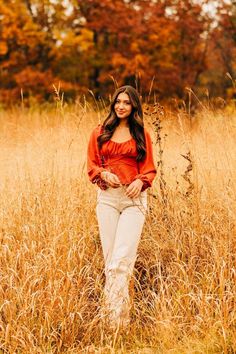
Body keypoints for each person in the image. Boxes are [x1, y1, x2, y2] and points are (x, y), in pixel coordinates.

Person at [87, 85, 157, 330]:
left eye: (126, 102)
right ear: (113, 104)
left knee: (121, 263)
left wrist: (140, 180)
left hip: (133, 201)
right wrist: (104, 174)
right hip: (107, 199)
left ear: (134, 106)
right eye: (118, 101)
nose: (121, 106)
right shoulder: (100, 132)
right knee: (111, 264)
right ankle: (116, 322)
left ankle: (114, 325)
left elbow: (149, 168)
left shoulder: (141, 134)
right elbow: (91, 166)